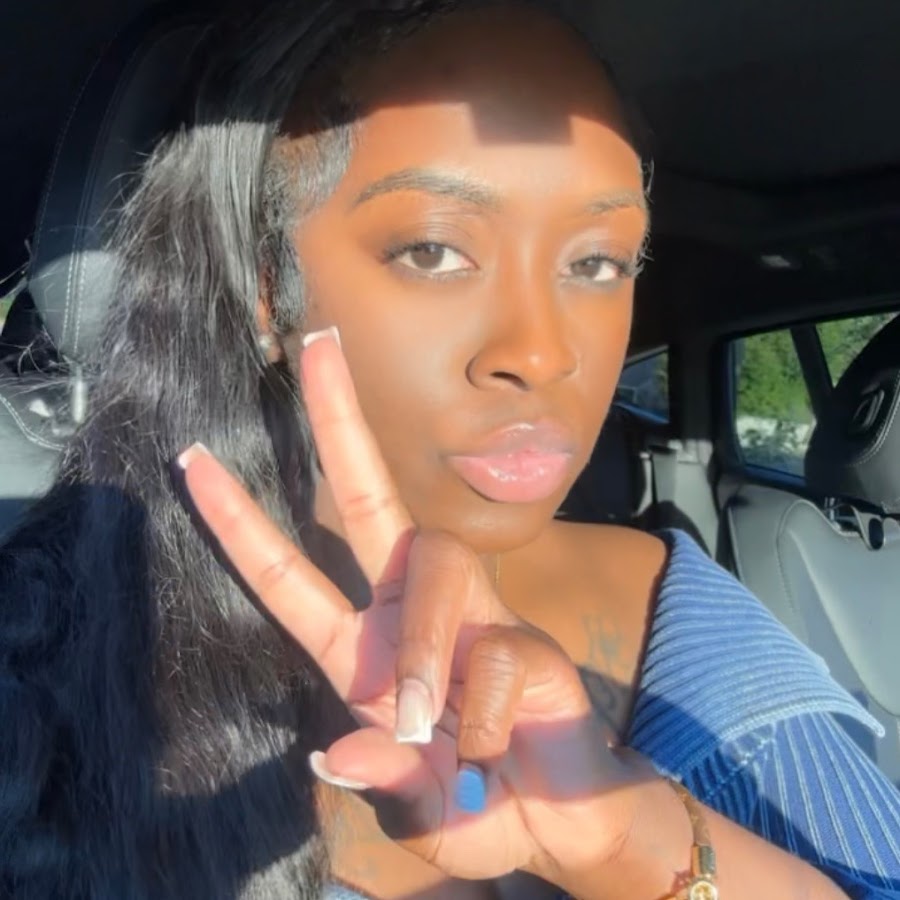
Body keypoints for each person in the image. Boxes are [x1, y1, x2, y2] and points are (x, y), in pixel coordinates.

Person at [1, 1, 899, 898]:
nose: (541, 353)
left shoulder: (681, 618)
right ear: (267, 290)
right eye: (433, 250)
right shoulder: (42, 673)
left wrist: (624, 840)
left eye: (597, 263)